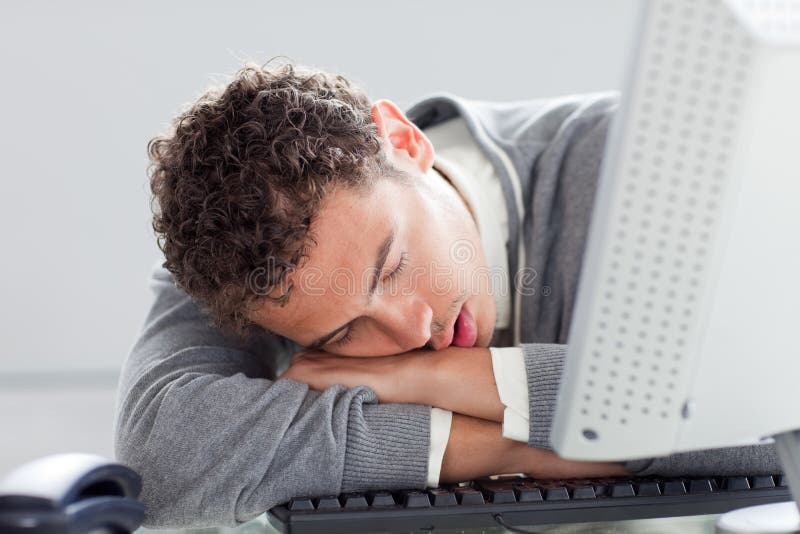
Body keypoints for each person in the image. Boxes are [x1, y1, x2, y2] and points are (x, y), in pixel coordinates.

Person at [114, 61, 780, 528]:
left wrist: (433, 375)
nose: (408, 329)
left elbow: (774, 415)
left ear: (405, 142)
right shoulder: (251, 265)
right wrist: (517, 448)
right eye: (342, 336)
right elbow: (163, 466)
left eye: (393, 265)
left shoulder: (643, 161)